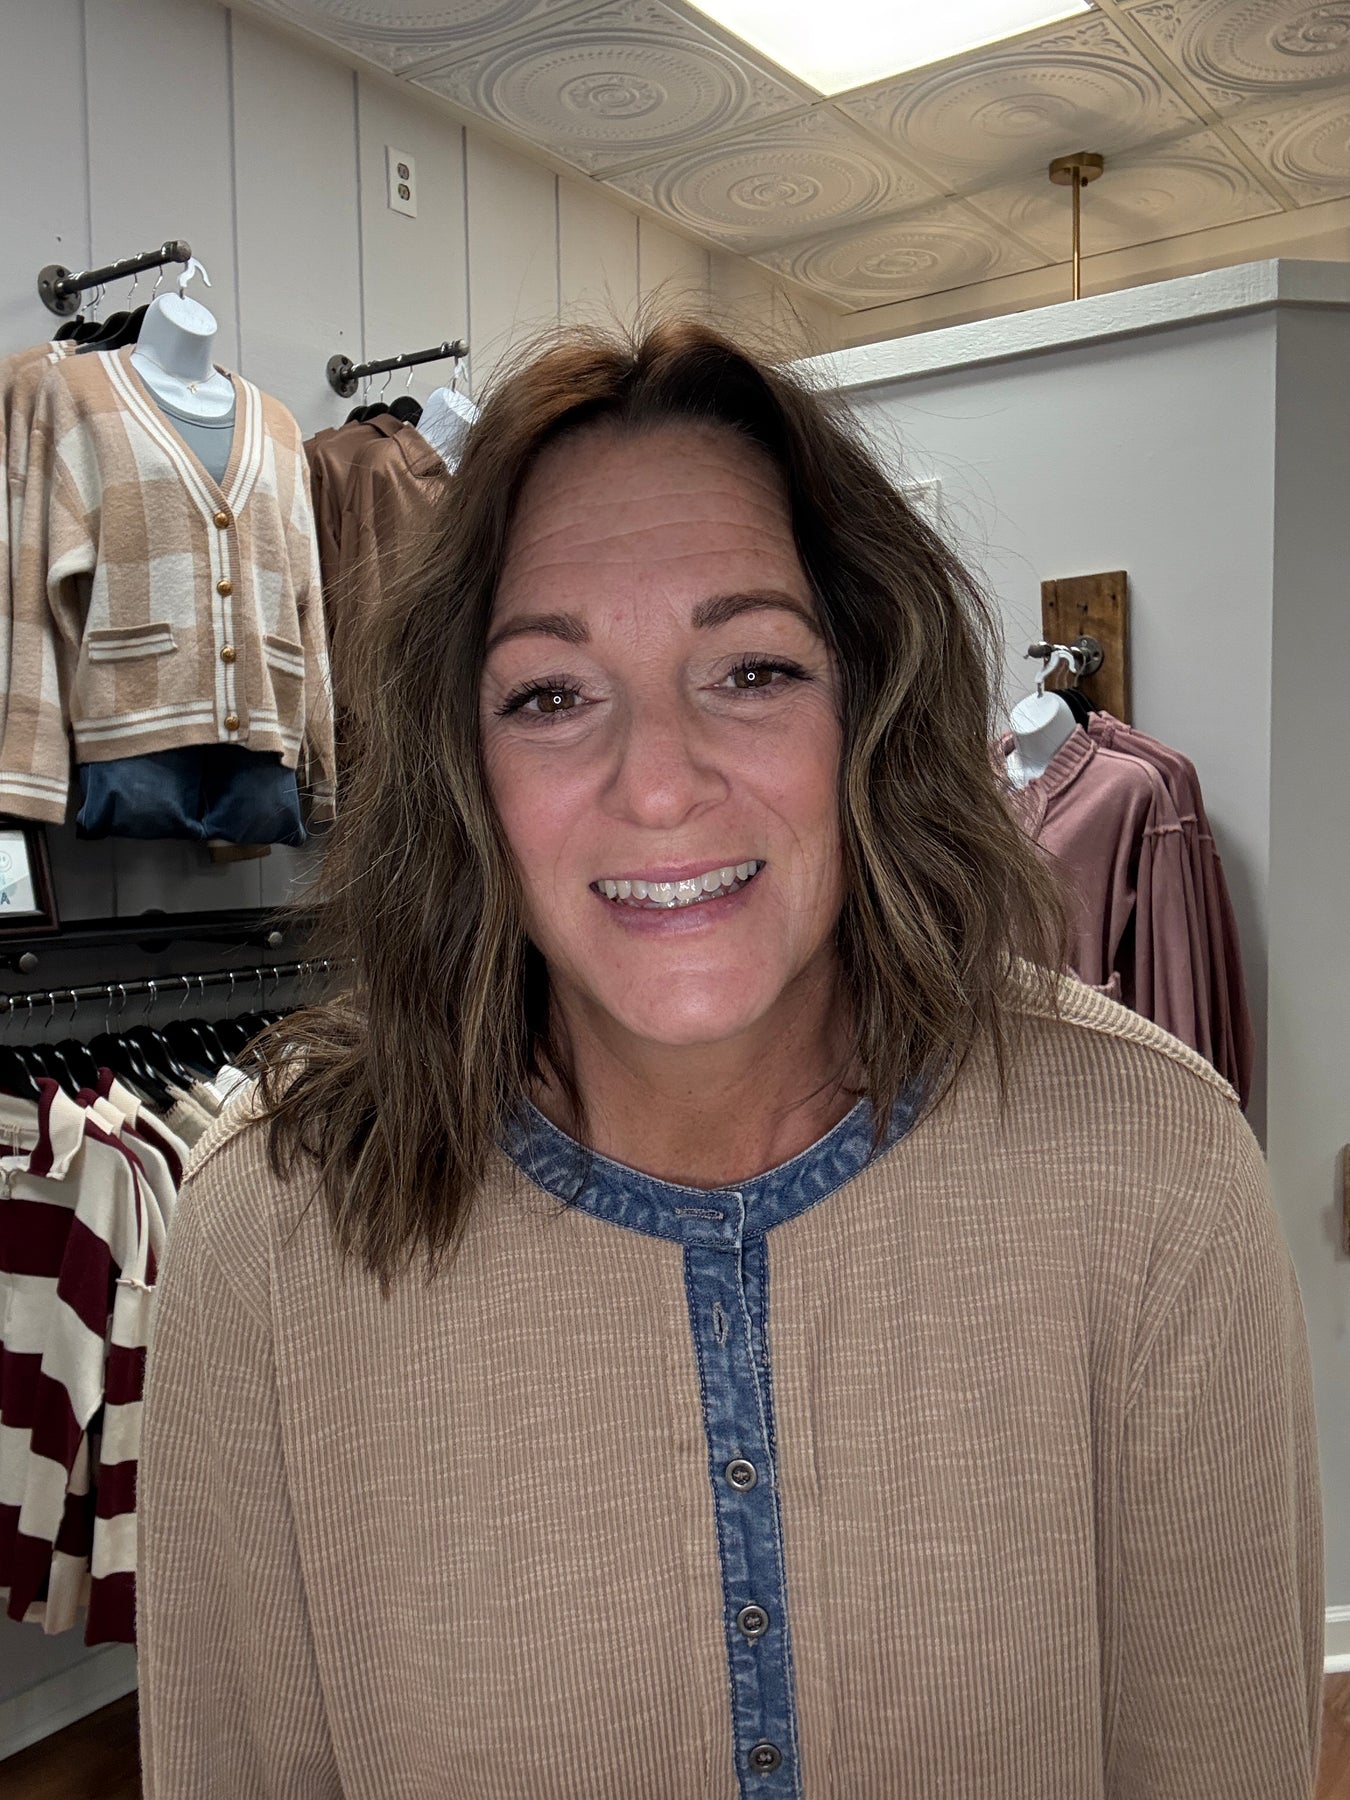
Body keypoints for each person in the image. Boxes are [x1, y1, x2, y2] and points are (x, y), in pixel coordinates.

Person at [137, 319, 1324, 1799]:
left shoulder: (1150, 1166)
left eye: (751, 670)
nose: (656, 784)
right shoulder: (269, 1233)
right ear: (463, 768)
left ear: (869, 706)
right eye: (551, 694)